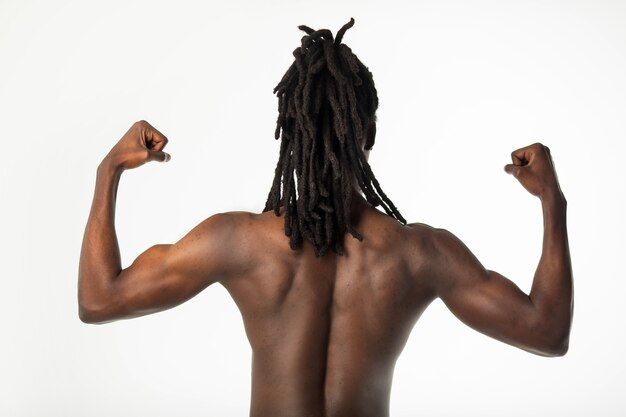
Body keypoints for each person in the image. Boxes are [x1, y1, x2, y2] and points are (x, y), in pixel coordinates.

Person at [78, 19, 573, 417]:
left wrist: (109, 171)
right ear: (370, 134)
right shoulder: (418, 253)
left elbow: (99, 300)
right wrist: (552, 201)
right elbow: (546, 333)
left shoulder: (236, 240)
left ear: (286, 131)